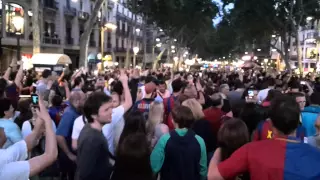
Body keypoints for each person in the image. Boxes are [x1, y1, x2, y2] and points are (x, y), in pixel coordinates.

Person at [208, 95, 320, 180]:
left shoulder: (251, 150)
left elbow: (212, 175)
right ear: (298, 122)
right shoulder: (316, 156)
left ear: (270, 123)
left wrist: (219, 150)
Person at [0, 94, 57, 179]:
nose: (2, 128)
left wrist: (39, 123)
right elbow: (50, 155)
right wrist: (47, 120)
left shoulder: (2, 155)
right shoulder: (4, 171)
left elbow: (26, 144)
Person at [150, 106, 207, 180]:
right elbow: (203, 169)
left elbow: (154, 165)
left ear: (173, 120)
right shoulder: (199, 141)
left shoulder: (165, 139)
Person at [75, 92, 113, 180]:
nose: (111, 111)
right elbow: (84, 173)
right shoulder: (93, 139)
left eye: (111, 108)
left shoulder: (90, 129)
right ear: (94, 115)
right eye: (106, 110)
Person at [56, 91, 86, 180]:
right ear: (77, 102)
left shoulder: (76, 112)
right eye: (84, 99)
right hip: (70, 157)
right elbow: (59, 136)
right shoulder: (69, 114)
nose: (86, 102)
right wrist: (69, 154)